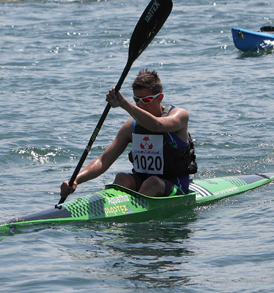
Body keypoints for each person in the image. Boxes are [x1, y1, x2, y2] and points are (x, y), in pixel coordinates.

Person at [59, 69, 196, 200]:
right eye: (137, 100)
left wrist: (124, 104)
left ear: (160, 98)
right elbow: (103, 161)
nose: (141, 105)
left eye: (146, 100)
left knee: (152, 182)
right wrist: (75, 179)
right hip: (144, 184)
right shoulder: (131, 126)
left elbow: (157, 125)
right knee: (122, 178)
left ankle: (134, 214)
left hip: (176, 186)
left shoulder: (179, 115)